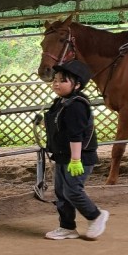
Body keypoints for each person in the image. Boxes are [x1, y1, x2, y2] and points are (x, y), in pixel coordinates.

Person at [43, 60, 108, 240]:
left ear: (77, 84)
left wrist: (75, 159)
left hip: (79, 158)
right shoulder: (61, 102)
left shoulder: (76, 105)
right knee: (61, 192)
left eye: (63, 80)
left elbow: (76, 135)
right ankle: (67, 227)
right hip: (63, 155)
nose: (56, 83)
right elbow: (60, 126)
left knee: (72, 191)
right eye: (55, 79)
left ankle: (96, 216)